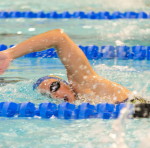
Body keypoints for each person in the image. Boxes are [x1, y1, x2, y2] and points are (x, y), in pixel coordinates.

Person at [0, 29, 144, 104]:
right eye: (49, 96)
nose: (55, 95)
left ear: (66, 84)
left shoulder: (84, 84)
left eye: (54, 87)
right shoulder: (80, 106)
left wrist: (9, 54)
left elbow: (58, 37)